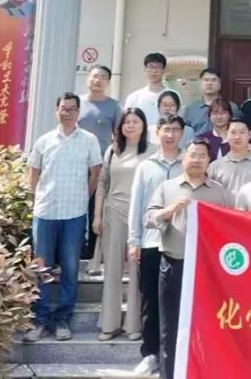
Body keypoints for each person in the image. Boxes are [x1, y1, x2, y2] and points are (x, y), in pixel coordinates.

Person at [145, 138, 234, 379]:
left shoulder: (220, 192)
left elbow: (232, 227)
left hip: (208, 271)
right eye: (192, 155)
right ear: (183, 158)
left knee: (208, 328)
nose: (196, 160)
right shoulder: (167, 188)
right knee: (170, 328)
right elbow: (149, 218)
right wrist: (169, 210)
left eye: (202, 156)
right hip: (174, 265)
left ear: (209, 160)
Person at [23, 93, 103, 344]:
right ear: (56, 111)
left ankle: (63, 320)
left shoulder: (89, 140)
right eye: (63, 108)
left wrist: (84, 196)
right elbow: (33, 172)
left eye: (72, 109)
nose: (67, 112)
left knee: (70, 268)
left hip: (74, 213)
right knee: (42, 268)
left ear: (79, 112)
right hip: (45, 212)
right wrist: (37, 198)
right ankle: (41, 320)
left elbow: (95, 172)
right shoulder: (44, 140)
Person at [126, 115, 184, 376]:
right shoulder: (146, 166)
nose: (170, 135)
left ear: (182, 133)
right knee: (150, 301)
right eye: (166, 130)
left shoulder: (189, 163)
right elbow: (136, 205)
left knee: (178, 302)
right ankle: (150, 354)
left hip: (180, 244)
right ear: (157, 132)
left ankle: (175, 355)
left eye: (175, 130)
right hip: (151, 243)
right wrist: (134, 240)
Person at [93, 108, 151, 341]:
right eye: (127, 122)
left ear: (143, 125)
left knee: (136, 271)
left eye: (136, 121)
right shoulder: (112, 151)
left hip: (141, 216)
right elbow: (102, 184)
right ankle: (109, 324)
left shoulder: (152, 152)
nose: (131, 125)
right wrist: (97, 216)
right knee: (112, 270)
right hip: (113, 212)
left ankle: (133, 325)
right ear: (120, 126)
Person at [78, 65, 120, 270]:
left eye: (103, 77)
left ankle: (93, 253)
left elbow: (118, 136)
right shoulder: (78, 103)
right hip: (76, 165)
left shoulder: (113, 106)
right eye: (95, 76)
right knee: (75, 207)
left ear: (108, 82)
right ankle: (76, 247)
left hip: (102, 166)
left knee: (96, 208)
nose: (98, 80)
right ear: (88, 78)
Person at [207, 119, 251, 195]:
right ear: (227, 135)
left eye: (242, 132)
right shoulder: (215, 166)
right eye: (233, 132)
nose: (237, 137)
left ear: (249, 135)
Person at [124, 52, 169, 137]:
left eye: (158, 67)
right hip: (140, 141)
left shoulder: (172, 95)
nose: (154, 71)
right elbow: (127, 122)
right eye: (151, 67)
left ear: (164, 70)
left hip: (166, 140)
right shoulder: (134, 97)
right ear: (145, 69)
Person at [184, 68, 239, 137]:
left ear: (219, 85)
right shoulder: (191, 109)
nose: (209, 83)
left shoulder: (232, 107)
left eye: (213, 80)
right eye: (206, 80)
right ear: (200, 84)